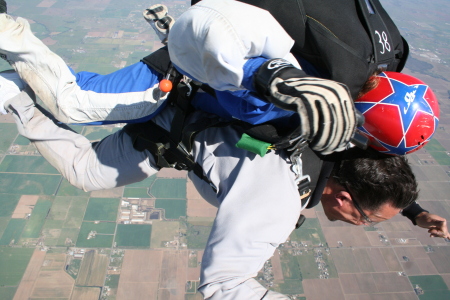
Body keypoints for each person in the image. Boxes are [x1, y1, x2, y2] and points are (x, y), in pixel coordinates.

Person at [1, 1, 449, 299]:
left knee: (86, 171)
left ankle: (8, 92)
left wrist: (416, 213)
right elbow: (223, 285)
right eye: (368, 221)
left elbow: (385, 177)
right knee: (72, 101)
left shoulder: (345, 139)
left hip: (174, 133)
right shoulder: (278, 202)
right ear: (345, 197)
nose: (364, 227)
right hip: (183, 85)